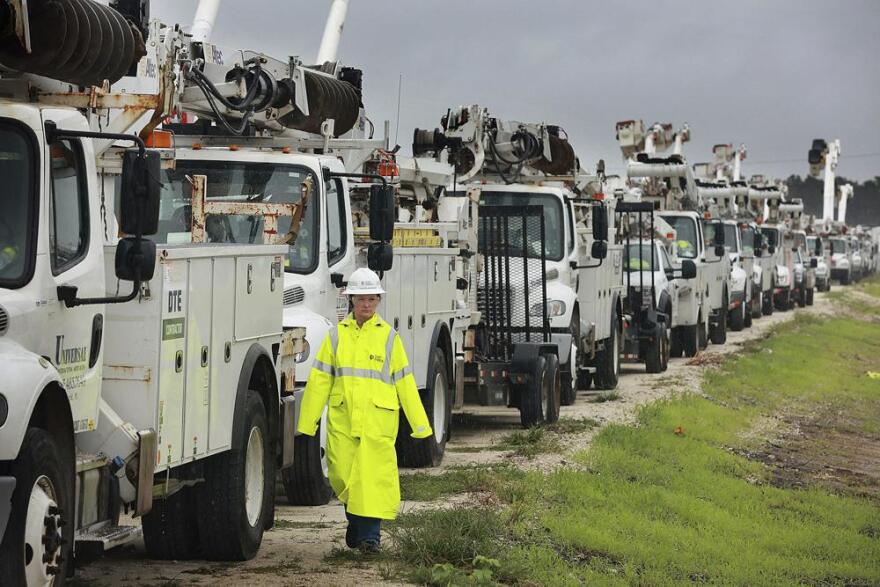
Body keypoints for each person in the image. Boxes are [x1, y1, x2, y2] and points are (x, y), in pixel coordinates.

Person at [296, 268, 433, 554]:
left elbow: (405, 382)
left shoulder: (389, 338)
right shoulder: (336, 337)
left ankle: (370, 538)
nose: (366, 305)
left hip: (377, 423)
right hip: (343, 422)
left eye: (371, 299)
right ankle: (356, 524)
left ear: (378, 301)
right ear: (351, 301)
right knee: (343, 477)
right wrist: (307, 422)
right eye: (361, 299)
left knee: (372, 481)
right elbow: (320, 380)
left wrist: (420, 424)